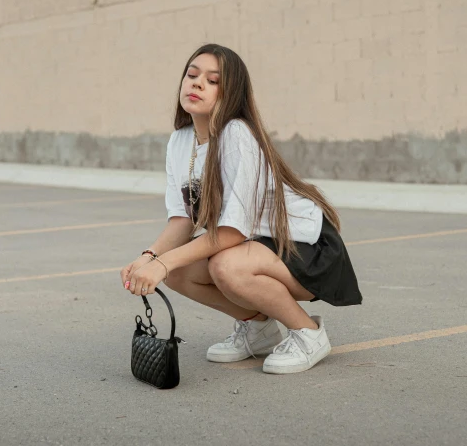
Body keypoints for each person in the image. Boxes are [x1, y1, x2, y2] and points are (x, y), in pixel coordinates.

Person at [120, 43, 362, 375]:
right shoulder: (180, 141)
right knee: (177, 271)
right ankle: (259, 329)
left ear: (230, 93)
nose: (197, 83)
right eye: (192, 75)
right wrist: (148, 257)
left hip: (306, 249)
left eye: (212, 80)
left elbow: (233, 231)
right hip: (258, 247)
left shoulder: (236, 135)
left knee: (226, 264)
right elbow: (182, 218)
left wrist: (161, 264)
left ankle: (309, 333)